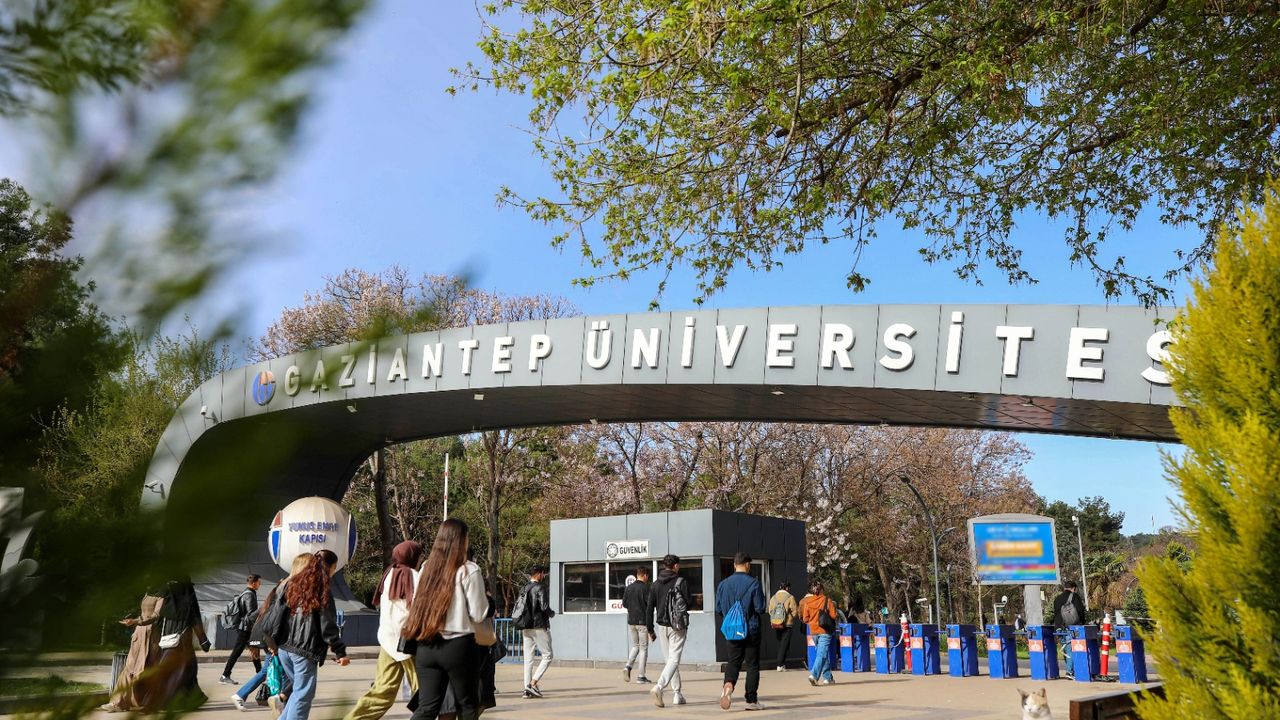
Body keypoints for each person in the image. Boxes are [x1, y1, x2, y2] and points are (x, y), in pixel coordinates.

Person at [402, 518, 489, 720]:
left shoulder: (426, 568)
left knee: (427, 707)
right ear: (462, 540)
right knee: (467, 706)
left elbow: (416, 603)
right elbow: (478, 613)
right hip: (458, 645)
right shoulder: (469, 570)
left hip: (427, 645)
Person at [345, 541, 424, 720]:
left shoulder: (389, 573)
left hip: (388, 640)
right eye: (419, 556)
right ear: (413, 557)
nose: (421, 559)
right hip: (408, 642)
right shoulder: (412, 575)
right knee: (425, 691)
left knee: (382, 692)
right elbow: (419, 607)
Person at [274, 549, 349, 720]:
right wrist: (340, 651)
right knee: (302, 696)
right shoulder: (321, 588)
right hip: (304, 649)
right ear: (330, 567)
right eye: (334, 567)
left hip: (285, 647)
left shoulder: (292, 584)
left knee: (297, 692)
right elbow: (327, 624)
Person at [231, 555, 312, 711]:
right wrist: (271, 643)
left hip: (272, 640)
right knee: (267, 671)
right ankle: (242, 694)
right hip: (273, 641)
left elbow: (254, 617)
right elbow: (266, 621)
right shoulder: (277, 601)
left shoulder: (271, 599)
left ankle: (281, 699)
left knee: (282, 671)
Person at [146, 577, 212, 712]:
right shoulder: (187, 594)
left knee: (177, 670)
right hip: (183, 639)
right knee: (184, 670)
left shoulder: (165, 593)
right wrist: (203, 640)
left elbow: (157, 619)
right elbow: (195, 617)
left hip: (168, 638)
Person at [101, 585, 167, 712]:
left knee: (146, 670)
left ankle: (150, 702)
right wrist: (134, 622)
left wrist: (136, 621)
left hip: (151, 636)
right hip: (138, 634)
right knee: (129, 669)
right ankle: (118, 703)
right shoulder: (147, 593)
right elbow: (142, 613)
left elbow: (155, 616)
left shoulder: (162, 595)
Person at [715, 552, 767, 711]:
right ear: (747, 565)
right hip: (751, 630)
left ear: (734, 565)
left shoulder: (723, 584)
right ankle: (751, 701)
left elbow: (718, 609)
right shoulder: (754, 583)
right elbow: (760, 608)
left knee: (733, 662)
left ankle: (728, 686)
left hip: (732, 630)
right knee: (752, 665)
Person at [647, 554, 691, 708]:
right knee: (674, 660)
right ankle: (659, 686)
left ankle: (677, 694)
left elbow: (649, 608)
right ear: (676, 566)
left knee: (670, 661)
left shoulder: (655, 584)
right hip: (677, 626)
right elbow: (689, 602)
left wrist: (650, 629)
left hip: (661, 627)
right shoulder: (680, 581)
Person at [516, 565, 555, 699]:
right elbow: (544, 607)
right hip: (538, 626)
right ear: (538, 574)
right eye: (543, 574)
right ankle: (532, 684)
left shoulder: (524, 588)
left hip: (525, 626)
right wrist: (552, 613)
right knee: (548, 655)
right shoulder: (540, 587)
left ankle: (526, 689)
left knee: (528, 659)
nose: (544, 576)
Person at [220, 574, 264, 684]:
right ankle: (225, 675)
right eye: (259, 582)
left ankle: (260, 675)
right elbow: (250, 615)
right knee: (237, 652)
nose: (260, 584)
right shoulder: (249, 595)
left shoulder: (248, 592)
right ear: (253, 583)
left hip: (247, 628)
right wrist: (263, 609)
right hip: (245, 629)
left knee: (255, 650)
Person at [799, 582, 837, 686]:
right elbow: (833, 615)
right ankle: (814, 676)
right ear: (822, 590)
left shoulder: (808, 602)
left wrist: (813, 620)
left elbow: (805, 619)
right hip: (825, 631)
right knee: (822, 654)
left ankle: (828, 678)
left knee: (822, 654)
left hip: (814, 632)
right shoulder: (827, 600)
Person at [621, 565, 654, 684]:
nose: (647, 579)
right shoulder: (646, 588)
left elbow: (624, 604)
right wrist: (651, 628)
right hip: (642, 622)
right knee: (643, 648)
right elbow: (650, 607)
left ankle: (628, 666)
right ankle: (641, 676)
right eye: (647, 576)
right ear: (644, 575)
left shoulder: (629, 588)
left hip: (631, 622)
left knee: (636, 646)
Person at [1052, 580, 1088, 678]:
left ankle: (1070, 669)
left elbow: (1056, 614)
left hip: (1059, 628)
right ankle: (1069, 672)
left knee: (1065, 649)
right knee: (1071, 649)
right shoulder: (1074, 597)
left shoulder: (1057, 598)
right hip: (1071, 627)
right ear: (1073, 588)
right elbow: (1080, 611)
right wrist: (1082, 622)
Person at [767, 580, 798, 672]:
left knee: (781, 643)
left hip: (776, 623)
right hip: (787, 624)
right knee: (784, 645)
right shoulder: (790, 597)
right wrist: (791, 616)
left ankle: (782, 664)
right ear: (787, 588)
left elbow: (770, 611)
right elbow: (795, 612)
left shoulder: (773, 597)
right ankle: (780, 664)